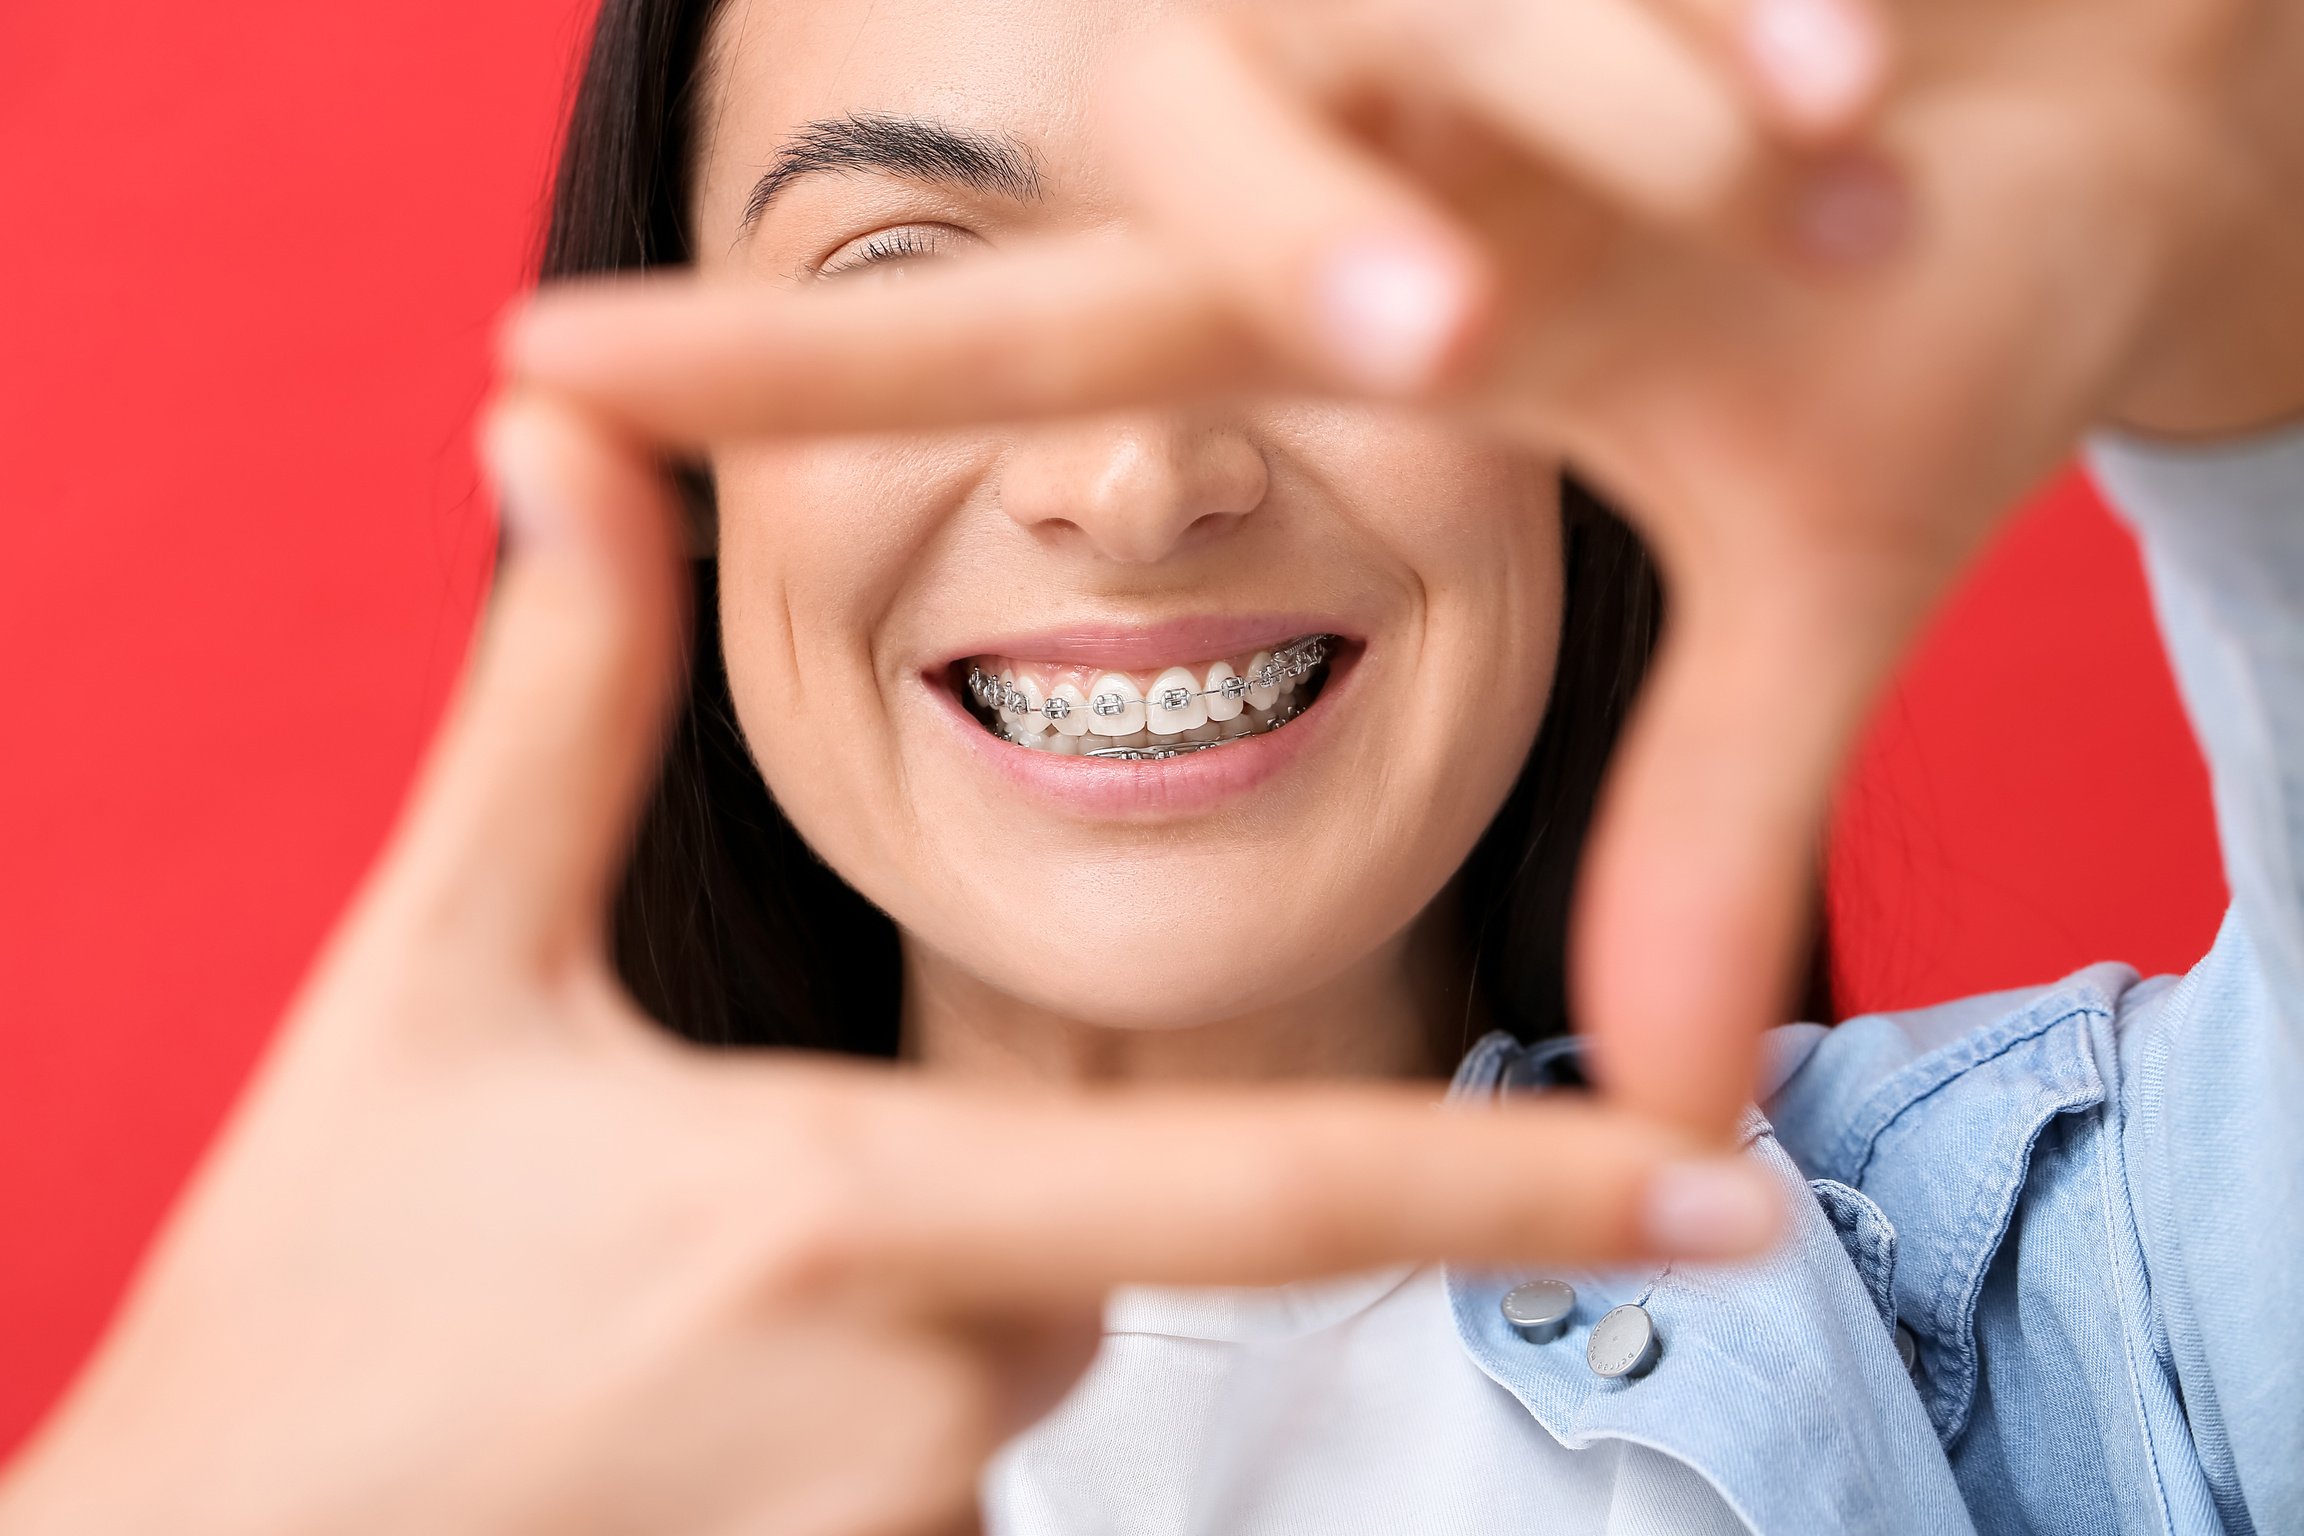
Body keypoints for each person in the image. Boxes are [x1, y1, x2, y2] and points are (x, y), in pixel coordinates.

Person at [2, 0, 2300, 1531]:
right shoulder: (417, 1460)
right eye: (898, 268)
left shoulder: (2065, 1300)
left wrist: (2254, 330)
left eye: (1325, 282)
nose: (1133, 475)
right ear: (695, 458)